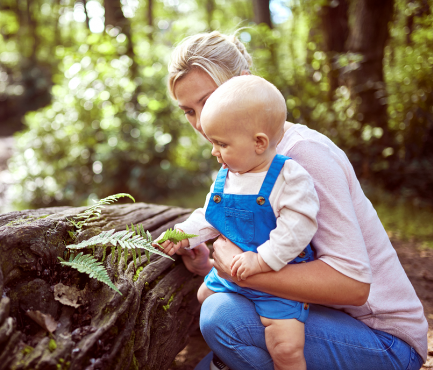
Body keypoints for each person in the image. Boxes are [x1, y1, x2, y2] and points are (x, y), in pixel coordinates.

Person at [164, 31, 428, 370]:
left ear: (247, 83)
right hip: (313, 315)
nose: (200, 122)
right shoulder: (242, 158)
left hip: (382, 340)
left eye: (210, 99)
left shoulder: (303, 155)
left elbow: (354, 285)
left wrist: (240, 273)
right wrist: (208, 262)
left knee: (222, 317)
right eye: (189, 110)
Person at [155, 75, 320, 370]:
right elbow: (210, 216)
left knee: (285, 346)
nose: (213, 151)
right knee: (204, 294)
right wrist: (184, 235)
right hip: (236, 274)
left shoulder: (289, 176)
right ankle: (231, 352)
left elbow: (298, 228)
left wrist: (261, 260)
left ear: (259, 142)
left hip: (277, 280)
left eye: (221, 144)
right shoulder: (228, 175)